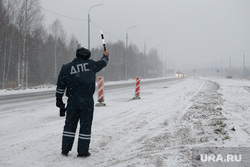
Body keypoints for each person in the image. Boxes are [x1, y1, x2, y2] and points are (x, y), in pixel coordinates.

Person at [55, 47, 109, 157]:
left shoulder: (66, 68)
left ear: (77, 55)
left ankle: (65, 149)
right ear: (87, 56)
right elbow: (102, 63)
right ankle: (83, 151)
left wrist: (59, 100)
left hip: (73, 101)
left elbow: (60, 86)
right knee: (85, 126)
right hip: (87, 101)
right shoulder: (90, 65)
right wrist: (106, 56)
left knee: (69, 125)